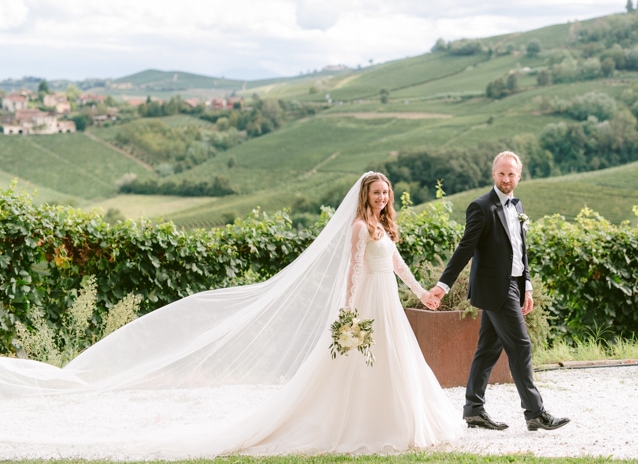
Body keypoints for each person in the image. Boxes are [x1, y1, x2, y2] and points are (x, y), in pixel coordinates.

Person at [0, 172, 462, 459]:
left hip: (389, 300)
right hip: (366, 302)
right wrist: (346, 311)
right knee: (358, 365)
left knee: (396, 362)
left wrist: (422, 291)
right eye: (376, 193)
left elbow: (395, 264)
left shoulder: (386, 225)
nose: (382, 198)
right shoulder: (360, 226)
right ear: (365, 196)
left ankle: (400, 422)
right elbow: (356, 269)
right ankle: (360, 423)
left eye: (386, 193)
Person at [427, 151, 569, 432]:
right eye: (502, 173)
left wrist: (526, 286)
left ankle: (473, 410)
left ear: (519, 175)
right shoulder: (480, 207)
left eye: (511, 174)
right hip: (496, 289)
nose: (506, 179)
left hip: (513, 287)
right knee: (521, 346)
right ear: (494, 174)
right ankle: (535, 412)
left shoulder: (518, 206)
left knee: (488, 350)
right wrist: (443, 285)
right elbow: (464, 249)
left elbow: (520, 251)